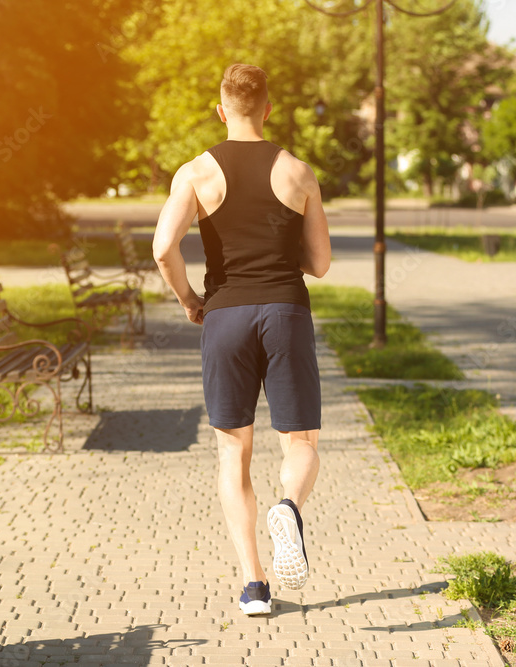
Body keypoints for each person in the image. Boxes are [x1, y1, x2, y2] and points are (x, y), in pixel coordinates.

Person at [153, 63, 331, 616]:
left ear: (221, 109)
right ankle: (289, 508)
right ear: (270, 109)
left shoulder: (195, 173)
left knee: (235, 449)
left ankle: (254, 584)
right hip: (285, 311)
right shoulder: (298, 172)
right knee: (300, 442)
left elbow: (163, 248)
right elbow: (320, 263)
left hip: (225, 315)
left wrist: (188, 299)